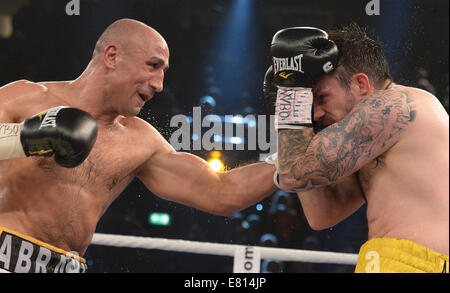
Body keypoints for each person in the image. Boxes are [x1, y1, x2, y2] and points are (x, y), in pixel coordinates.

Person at [0, 18, 278, 273]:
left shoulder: (142, 141)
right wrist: (29, 136)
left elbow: (220, 192)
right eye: (153, 65)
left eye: (163, 72)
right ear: (112, 56)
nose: (159, 84)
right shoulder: (26, 99)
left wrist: (290, 158)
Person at [264, 24, 449, 273]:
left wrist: (291, 96)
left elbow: (293, 174)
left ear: (361, 84)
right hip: (396, 260)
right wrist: (295, 114)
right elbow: (323, 214)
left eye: (321, 97)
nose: (316, 113)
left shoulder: (392, 106)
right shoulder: (375, 142)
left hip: (417, 262)